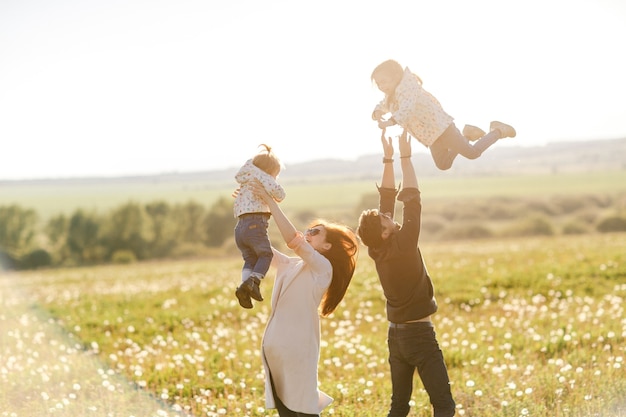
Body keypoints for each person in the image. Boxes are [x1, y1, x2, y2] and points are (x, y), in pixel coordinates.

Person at [357, 129, 456, 417]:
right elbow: (411, 196)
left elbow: (387, 198)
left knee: (399, 407)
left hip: (396, 337)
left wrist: (388, 158)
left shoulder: (377, 249)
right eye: (386, 220)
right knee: (444, 407)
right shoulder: (405, 241)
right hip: (420, 335)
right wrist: (406, 156)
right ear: (385, 234)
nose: (389, 216)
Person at [250, 178, 359, 417]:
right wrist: (247, 209)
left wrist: (269, 201)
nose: (307, 233)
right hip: (276, 352)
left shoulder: (323, 269)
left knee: (305, 410)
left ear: (327, 247)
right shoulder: (292, 265)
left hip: (297, 351)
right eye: (309, 229)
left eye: (314, 232)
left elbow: (292, 239)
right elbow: (261, 247)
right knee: (287, 412)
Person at [371, 58, 516, 171]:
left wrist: (390, 122)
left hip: (443, 129)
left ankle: (497, 130)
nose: (382, 87)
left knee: (472, 153)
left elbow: (406, 110)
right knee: (443, 164)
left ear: (396, 76)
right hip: (431, 137)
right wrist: (377, 111)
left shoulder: (408, 88)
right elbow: (385, 104)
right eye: (378, 84)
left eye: (383, 82)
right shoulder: (393, 95)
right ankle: (467, 135)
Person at [233, 144, 286, 309]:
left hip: (240, 228)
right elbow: (280, 194)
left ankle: (244, 287)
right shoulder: (263, 177)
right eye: (275, 175)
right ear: (270, 172)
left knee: (250, 258)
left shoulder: (246, 176)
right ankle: (253, 281)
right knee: (265, 254)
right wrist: (271, 181)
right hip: (255, 224)